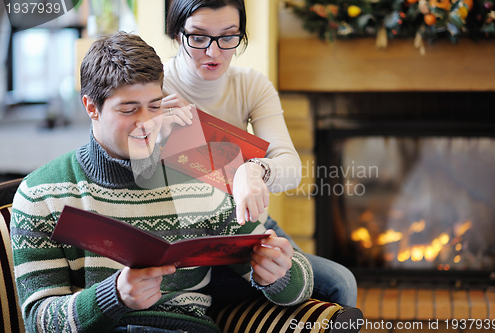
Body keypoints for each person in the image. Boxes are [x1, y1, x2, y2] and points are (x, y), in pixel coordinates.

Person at [10, 31, 313, 333]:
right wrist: (112, 296)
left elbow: (300, 285)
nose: (146, 124)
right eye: (129, 109)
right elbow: (38, 321)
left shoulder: (200, 176)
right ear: (92, 107)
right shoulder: (42, 194)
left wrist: (279, 274)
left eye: (155, 106)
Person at [161, 0, 358, 307]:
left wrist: (253, 171)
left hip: (248, 229)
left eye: (228, 37)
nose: (213, 52)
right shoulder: (154, 89)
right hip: (190, 239)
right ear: (176, 35)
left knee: (339, 284)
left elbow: (291, 168)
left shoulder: (251, 86)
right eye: (198, 38)